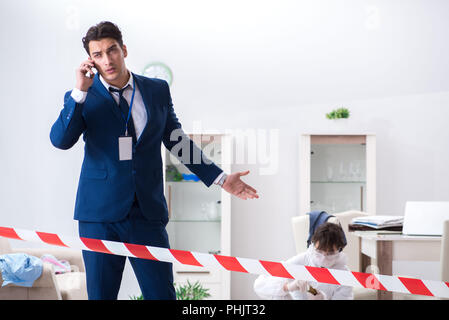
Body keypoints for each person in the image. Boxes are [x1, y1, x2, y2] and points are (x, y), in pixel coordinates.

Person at [50, 21, 259, 300]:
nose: (107, 59)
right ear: (91, 60)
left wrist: (220, 178)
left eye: (112, 50)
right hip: (99, 217)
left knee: (162, 295)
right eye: (98, 54)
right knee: (101, 296)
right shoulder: (81, 96)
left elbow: (176, 140)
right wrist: (79, 91)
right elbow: (61, 141)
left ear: (124, 49)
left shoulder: (156, 90)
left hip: (146, 214)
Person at [254, 222, 353, 300]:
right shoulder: (301, 260)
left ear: (339, 250)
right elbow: (259, 286)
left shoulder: (344, 275)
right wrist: (287, 287)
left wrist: (323, 298)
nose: (323, 258)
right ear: (313, 244)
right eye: (319, 251)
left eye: (330, 253)